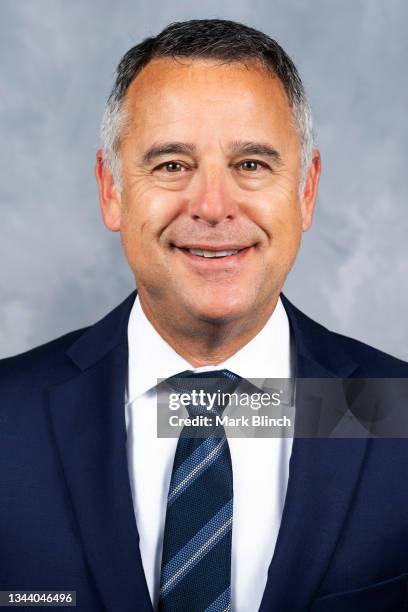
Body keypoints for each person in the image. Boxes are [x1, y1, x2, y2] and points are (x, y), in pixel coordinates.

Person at [1, 18, 408, 612]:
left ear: (306, 191)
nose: (213, 207)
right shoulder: (8, 414)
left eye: (251, 165)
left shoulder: (394, 412)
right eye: (171, 165)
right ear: (111, 190)